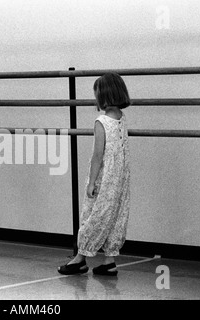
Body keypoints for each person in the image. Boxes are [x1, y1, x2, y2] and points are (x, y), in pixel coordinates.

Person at [58, 72, 131, 276]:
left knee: (93, 214)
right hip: (121, 178)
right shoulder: (121, 119)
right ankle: (109, 261)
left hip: (105, 177)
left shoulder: (101, 121)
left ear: (103, 96)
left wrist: (91, 182)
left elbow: (97, 155)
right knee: (115, 215)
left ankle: (80, 258)